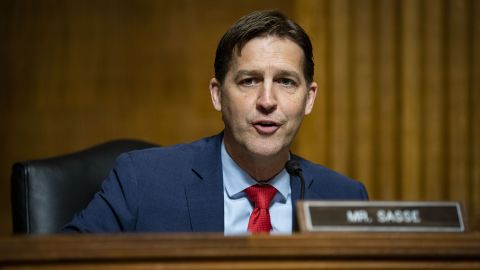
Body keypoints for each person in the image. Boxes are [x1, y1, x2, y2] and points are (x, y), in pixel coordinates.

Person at [63, 10, 368, 234]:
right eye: (249, 81)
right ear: (218, 94)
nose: (267, 100)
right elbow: (58, 261)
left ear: (309, 98)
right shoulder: (142, 181)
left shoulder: (343, 197)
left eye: (286, 82)